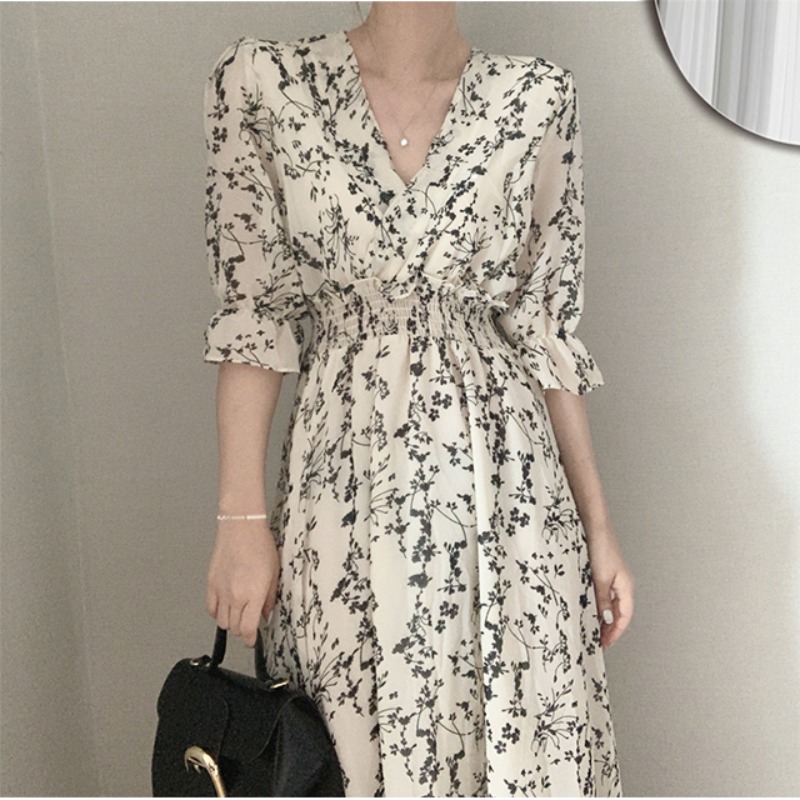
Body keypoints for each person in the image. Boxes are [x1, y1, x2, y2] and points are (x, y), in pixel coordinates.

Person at [202, 2, 634, 795]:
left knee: (517, 742)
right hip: (342, 500)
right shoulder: (264, 82)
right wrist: (239, 524)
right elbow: (254, 317)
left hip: (510, 503)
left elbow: (545, 333)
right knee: (348, 748)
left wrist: (599, 529)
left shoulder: (537, 96)